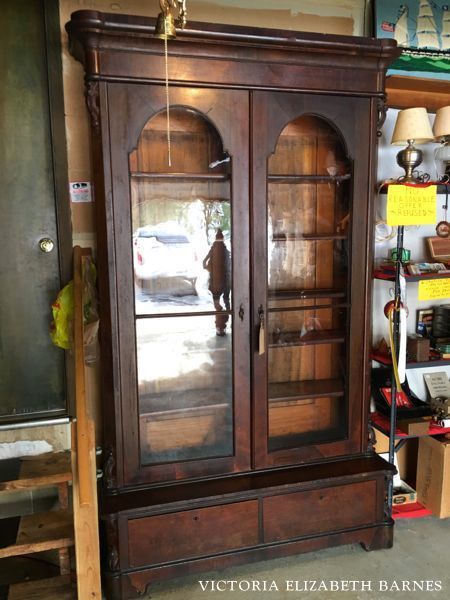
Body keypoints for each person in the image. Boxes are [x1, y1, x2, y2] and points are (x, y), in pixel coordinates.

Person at [203, 229, 231, 335]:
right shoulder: (225, 250)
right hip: (225, 283)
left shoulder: (213, 249)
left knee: (217, 304)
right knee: (227, 302)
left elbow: (203, 263)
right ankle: (229, 322)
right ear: (223, 239)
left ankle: (220, 326)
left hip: (215, 284)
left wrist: (210, 270)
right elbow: (229, 266)